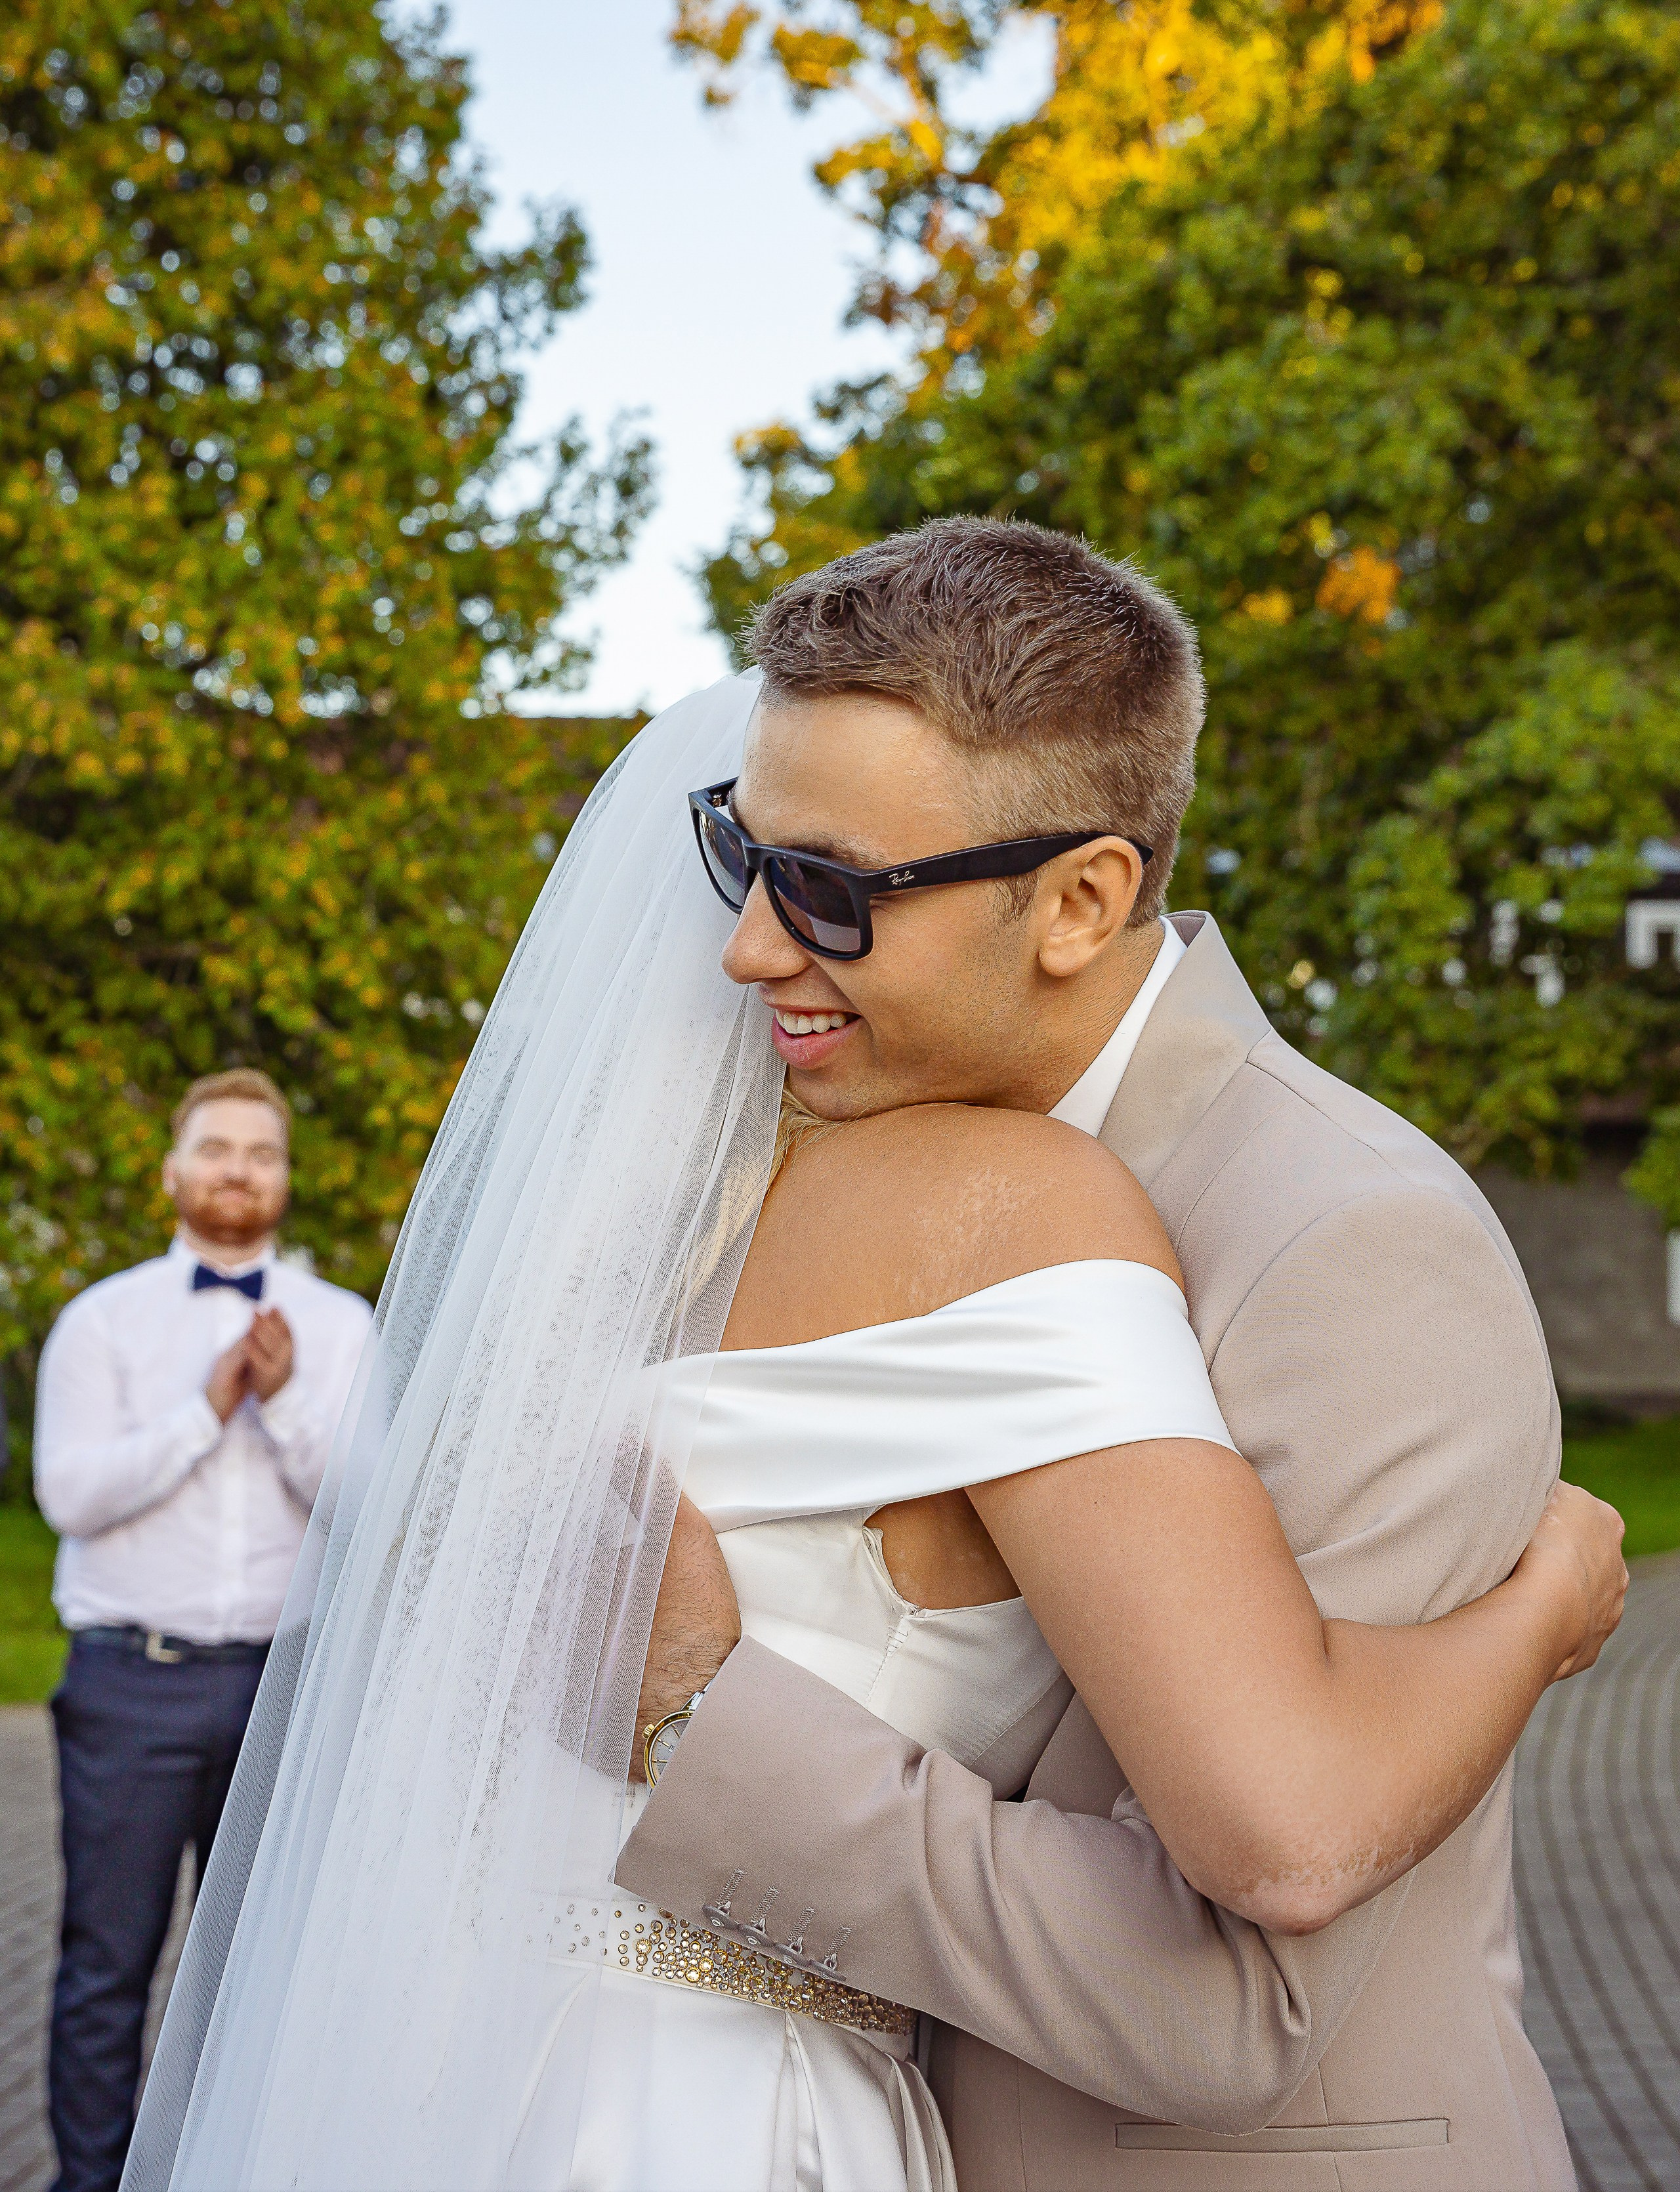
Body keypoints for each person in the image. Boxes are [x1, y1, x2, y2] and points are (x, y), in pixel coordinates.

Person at [123, 564, 1620, 2192]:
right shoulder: (734, 1182)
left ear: (1078, 900)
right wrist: (1534, 1616)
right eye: (738, 853)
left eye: (833, 889)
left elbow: (1239, 1975)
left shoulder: (1349, 1238)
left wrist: (705, 1717)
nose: (748, 945)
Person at [34, 1069, 371, 2192]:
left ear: (286, 1176)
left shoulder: (339, 1326)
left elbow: (373, 1498)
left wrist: (281, 1404)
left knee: (255, 1972)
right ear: (173, 1171)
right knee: (106, 1964)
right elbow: (69, 1498)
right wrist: (207, 1409)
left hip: (286, 1691)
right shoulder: (103, 1321)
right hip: (132, 1684)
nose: (238, 1169)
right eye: (217, 1148)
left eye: (262, 1152)